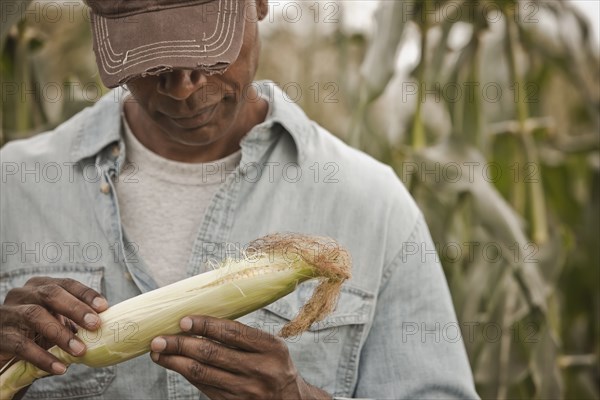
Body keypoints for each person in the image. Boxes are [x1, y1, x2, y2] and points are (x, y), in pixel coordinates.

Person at [0, 0, 480, 399]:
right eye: (151, 57)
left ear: (259, 5)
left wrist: (298, 396)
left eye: (205, 48)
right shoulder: (14, 188)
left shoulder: (372, 204)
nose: (183, 86)